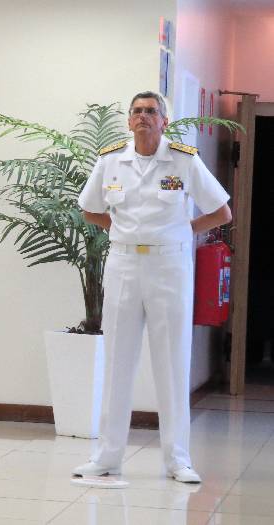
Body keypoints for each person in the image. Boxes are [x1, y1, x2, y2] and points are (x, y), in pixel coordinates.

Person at [74, 91, 232, 483]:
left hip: (169, 266)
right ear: (129, 120)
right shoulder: (111, 160)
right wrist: (122, 230)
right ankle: (107, 457)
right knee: (117, 361)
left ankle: (178, 459)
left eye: (151, 111)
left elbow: (221, 211)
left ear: (164, 121)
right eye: (137, 111)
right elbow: (91, 209)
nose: (143, 117)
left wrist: (184, 230)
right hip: (124, 264)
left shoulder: (183, 160)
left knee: (172, 361)